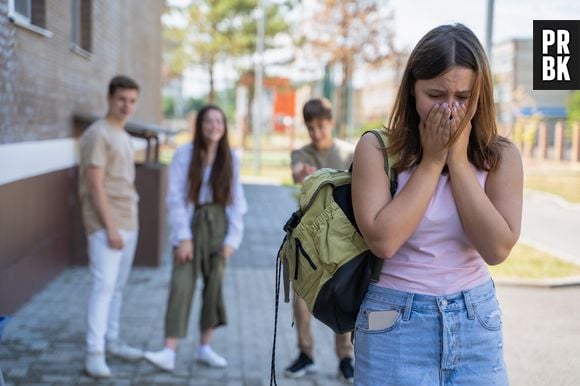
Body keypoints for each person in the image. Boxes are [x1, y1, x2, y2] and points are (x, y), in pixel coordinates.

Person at [351, 24, 523, 385]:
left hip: (474, 320)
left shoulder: (500, 156)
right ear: (412, 90)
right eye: (435, 94)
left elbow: (496, 248)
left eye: (462, 97)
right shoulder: (377, 149)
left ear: (480, 96)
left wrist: (457, 162)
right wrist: (431, 162)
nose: (448, 109)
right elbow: (384, 241)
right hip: (395, 321)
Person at [144, 104, 247, 372]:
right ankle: (169, 350)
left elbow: (237, 201)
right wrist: (183, 237)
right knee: (181, 285)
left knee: (213, 288)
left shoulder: (231, 158)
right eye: (208, 121)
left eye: (219, 121)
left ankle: (205, 348)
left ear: (224, 127)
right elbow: (175, 198)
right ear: (200, 125)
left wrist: (232, 240)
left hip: (219, 226)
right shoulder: (185, 154)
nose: (214, 125)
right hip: (191, 223)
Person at [286, 98, 356, 383]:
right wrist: (304, 175)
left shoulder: (348, 153)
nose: (316, 132)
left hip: (340, 241)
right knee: (301, 301)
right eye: (310, 127)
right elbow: (297, 174)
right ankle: (306, 354)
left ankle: (345, 358)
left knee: (341, 298)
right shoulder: (301, 153)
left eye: (321, 126)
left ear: (331, 123)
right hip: (306, 241)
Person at [78, 75, 144, 378]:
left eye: (132, 100)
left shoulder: (123, 134)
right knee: (103, 288)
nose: (127, 105)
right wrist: (111, 227)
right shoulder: (97, 133)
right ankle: (94, 353)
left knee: (117, 287)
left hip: (128, 219)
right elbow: (94, 186)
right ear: (109, 98)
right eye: (122, 99)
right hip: (107, 224)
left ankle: (112, 341)